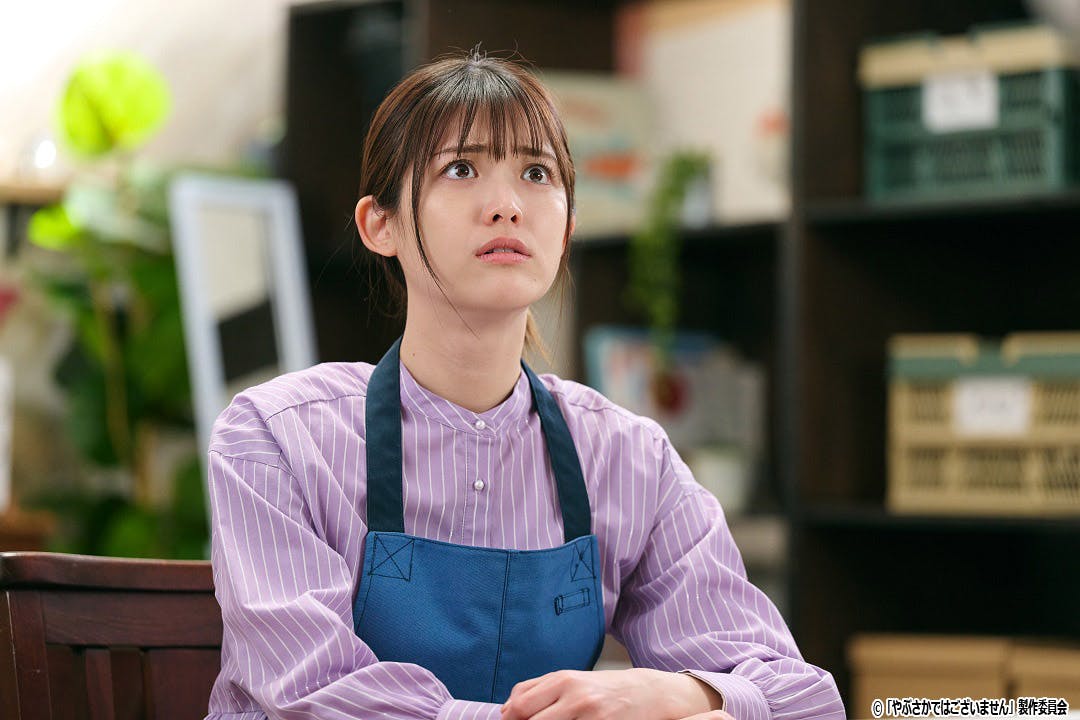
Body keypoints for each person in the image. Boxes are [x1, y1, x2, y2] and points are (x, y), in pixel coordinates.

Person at [204, 49, 845, 720]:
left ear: (567, 230)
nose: (507, 206)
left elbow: (803, 698)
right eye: (461, 169)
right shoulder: (278, 437)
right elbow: (314, 695)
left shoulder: (629, 459)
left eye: (536, 173)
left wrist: (680, 690)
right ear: (380, 224)